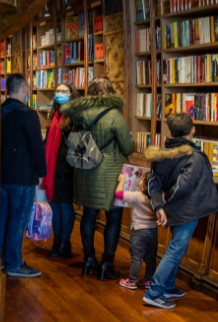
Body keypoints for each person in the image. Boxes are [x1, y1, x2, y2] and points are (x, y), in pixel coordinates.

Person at [143, 113, 218, 309]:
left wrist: (159, 205)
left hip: (170, 211)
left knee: (177, 247)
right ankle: (155, 291)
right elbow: (183, 187)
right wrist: (165, 201)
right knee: (176, 250)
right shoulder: (194, 157)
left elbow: (153, 181)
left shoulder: (162, 154)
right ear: (192, 130)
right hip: (186, 211)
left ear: (170, 132)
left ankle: (168, 285)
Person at [61, 76, 134, 281]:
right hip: (110, 171)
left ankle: (89, 260)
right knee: (113, 218)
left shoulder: (79, 112)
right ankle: (107, 265)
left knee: (88, 216)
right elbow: (128, 147)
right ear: (109, 91)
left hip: (85, 169)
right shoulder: (114, 114)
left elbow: (73, 139)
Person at [0, 73, 47, 277]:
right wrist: (41, 172)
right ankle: (15, 263)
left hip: (0, 175)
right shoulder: (28, 114)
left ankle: (0, 260)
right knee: (18, 220)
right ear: (24, 88)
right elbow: (36, 147)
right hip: (22, 176)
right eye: (27, 89)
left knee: (2, 219)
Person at [41, 83, 79, 259]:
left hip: (66, 169)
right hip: (53, 168)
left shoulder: (74, 116)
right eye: (58, 91)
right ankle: (57, 240)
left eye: (65, 91)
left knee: (65, 205)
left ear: (72, 95)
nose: (60, 94)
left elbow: (76, 144)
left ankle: (65, 242)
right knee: (55, 205)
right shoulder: (55, 115)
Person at [115, 171, 157, 290]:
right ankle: (149, 280)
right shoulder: (158, 197)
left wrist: (122, 180)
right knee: (150, 257)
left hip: (139, 231)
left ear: (143, 185)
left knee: (136, 258)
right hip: (153, 231)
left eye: (142, 179)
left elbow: (119, 194)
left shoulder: (137, 196)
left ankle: (132, 280)